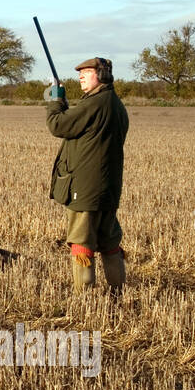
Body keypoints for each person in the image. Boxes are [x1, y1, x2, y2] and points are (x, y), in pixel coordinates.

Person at [44, 57, 129, 294]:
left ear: (101, 75)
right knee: (110, 242)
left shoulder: (95, 103)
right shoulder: (114, 103)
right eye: (80, 72)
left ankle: (86, 299)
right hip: (108, 189)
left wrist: (55, 101)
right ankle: (117, 293)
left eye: (87, 72)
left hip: (86, 188)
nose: (81, 76)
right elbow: (83, 126)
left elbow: (58, 125)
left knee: (82, 243)